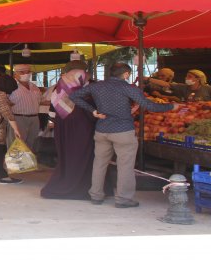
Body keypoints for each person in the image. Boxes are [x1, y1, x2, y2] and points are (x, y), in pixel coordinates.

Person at [70, 63, 177, 208]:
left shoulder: (97, 86)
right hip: (123, 131)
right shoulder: (129, 88)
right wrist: (171, 106)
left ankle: (96, 196)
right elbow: (150, 106)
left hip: (102, 130)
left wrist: (93, 110)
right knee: (125, 166)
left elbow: (74, 95)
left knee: (99, 163)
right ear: (126, 74)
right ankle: (123, 199)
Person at [41, 61, 97, 199]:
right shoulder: (89, 89)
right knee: (83, 157)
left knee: (67, 156)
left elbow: (52, 111)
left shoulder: (60, 87)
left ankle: (65, 183)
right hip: (83, 128)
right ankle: (80, 187)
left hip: (63, 127)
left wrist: (51, 123)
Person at [9, 64, 42, 149]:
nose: (26, 74)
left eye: (28, 72)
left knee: (32, 144)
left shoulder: (34, 86)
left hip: (34, 118)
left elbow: (39, 100)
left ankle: (29, 162)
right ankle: (14, 162)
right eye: (22, 72)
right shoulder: (10, 86)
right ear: (15, 73)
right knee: (17, 145)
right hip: (18, 118)